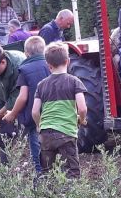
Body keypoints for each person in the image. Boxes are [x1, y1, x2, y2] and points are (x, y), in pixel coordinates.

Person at [31, 43, 87, 178]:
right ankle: (72, 197)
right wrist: (82, 119)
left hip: (46, 134)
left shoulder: (41, 85)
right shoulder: (74, 81)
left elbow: (34, 111)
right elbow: (83, 107)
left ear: (48, 64)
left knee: (47, 173)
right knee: (72, 172)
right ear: (67, 61)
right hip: (66, 133)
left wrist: (39, 125)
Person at [2, 36, 50, 174]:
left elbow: (22, 97)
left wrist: (12, 113)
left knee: (37, 149)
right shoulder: (52, 65)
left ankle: (39, 178)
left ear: (26, 53)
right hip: (55, 116)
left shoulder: (24, 69)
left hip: (35, 118)